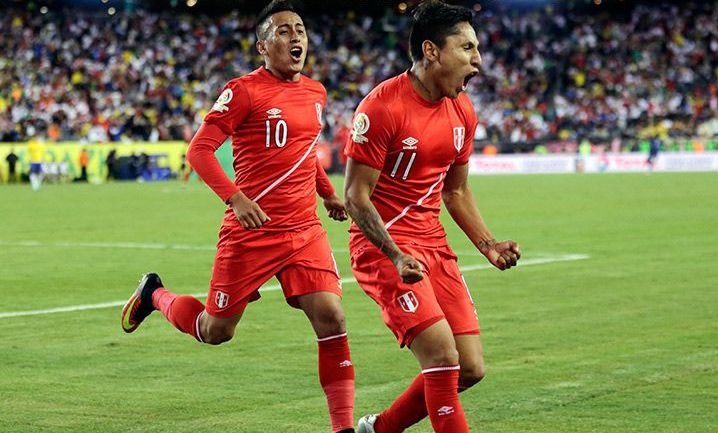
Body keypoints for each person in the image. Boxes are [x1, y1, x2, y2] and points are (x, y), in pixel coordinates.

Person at [120, 2, 355, 432]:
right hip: (253, 231)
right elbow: (199, 150)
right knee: (216, 330)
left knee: (332, 318)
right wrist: (235, 198)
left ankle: (341, 427)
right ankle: (155, 294)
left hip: (304, 230)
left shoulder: (316, 93)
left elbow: (305, 154)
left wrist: (328, 194)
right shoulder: (244, 90)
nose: (295, 37)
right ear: (263, 46)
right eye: (283, 31)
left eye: (299, 29)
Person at [343, 2, 521, 432]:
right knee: (442, 357)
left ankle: (378, 429)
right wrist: (395, 254)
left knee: (471, 368)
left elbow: (455, 190)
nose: (477, 59)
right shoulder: (382, 107)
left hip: (433, 247)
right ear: (432, 51)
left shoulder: (463, 111)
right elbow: (354, 196)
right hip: (383, 249)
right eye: (467, 48)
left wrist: (488, 244)